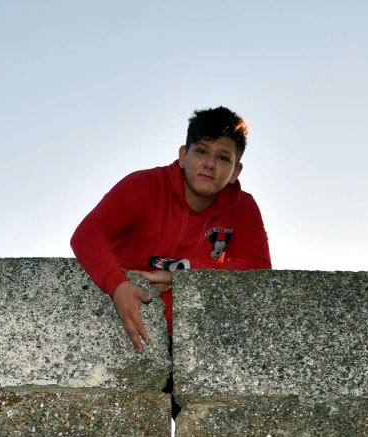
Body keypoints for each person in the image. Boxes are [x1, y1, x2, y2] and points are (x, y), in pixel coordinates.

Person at [71, 107, 271, 352]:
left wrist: (184, 272)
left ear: (235, 171)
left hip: (194, 338)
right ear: (183, 155)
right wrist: (117, 285)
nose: (209, 164)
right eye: (201, 151)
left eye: (223, 158)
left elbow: (259, 270)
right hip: (122, 325)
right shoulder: (144, 185)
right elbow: (87, 234)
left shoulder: (244, 207)